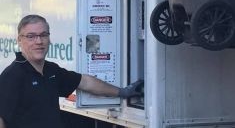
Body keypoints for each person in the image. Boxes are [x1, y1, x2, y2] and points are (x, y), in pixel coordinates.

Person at [0, 15, 143, 128]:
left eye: (43, 35)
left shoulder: (51, 70)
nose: (39, 41)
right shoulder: (12, 76)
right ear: (19, 40)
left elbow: (85, 82)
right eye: (31, 36)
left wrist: (123, 92)